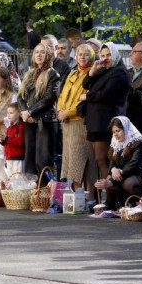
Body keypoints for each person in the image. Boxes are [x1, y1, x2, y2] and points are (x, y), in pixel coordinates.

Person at [82, 42, 130, 185]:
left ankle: (111, 192)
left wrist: (87, 96)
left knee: (103, 159)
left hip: (106, 122)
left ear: (115, 55)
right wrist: (92, 71)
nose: (105, 58)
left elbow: (106, 94)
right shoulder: (103, 70)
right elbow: (85, 84)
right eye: (102, 55)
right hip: (96, 122)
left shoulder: (119, 72)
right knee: (101, 160)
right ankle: (109, 192)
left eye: (108, 55)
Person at [57, 44, 96, 197]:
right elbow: (62, 95)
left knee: (84, 159)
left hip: (80, 122)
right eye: (80, 54)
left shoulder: (92, 74)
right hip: (67, 124)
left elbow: (84, 101)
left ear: (91, 56)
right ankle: (78, 195)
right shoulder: (72, 73)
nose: (82, 57)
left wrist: (68, 112)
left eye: (86, 54)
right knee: (71, 161)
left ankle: (89, 195)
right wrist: (60, 111)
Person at [18, 43, 60, 176]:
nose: (39, 55)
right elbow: (20, 97)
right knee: (29, 160)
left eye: (42, 52)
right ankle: (33, 187)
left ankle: (46, 187)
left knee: (43, 160)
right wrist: (25, 113)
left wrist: (30, 112)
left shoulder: (52, 74)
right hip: (29, 122)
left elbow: (49, 99)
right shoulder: (29, 74)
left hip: (45, 121)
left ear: (48, 55)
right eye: (36, 52)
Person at [98, 116, 142, 210]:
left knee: (127, 183)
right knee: (109, 178)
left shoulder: (138, 142)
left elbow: (133, 164)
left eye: (118, 131)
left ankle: (141, 203)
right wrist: (113, 169)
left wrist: (112, 181)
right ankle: (115, 204)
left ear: (126, 129)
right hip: (124, 173)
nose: (116, 134)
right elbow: (112, 160)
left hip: (139, 174)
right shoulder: (116, 143)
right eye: (114, 132)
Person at [0, 102, 25, 178]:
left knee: (18, 179)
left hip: (18, 157)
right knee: (10, 178)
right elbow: (8, 142)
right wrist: (3, 141)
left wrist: (7, 139)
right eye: (8, 113)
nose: (8, 115)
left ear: (18, 114)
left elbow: (20, 142)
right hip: (9, 157)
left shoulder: (21, 126)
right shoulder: (9, 128)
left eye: (11, 113)